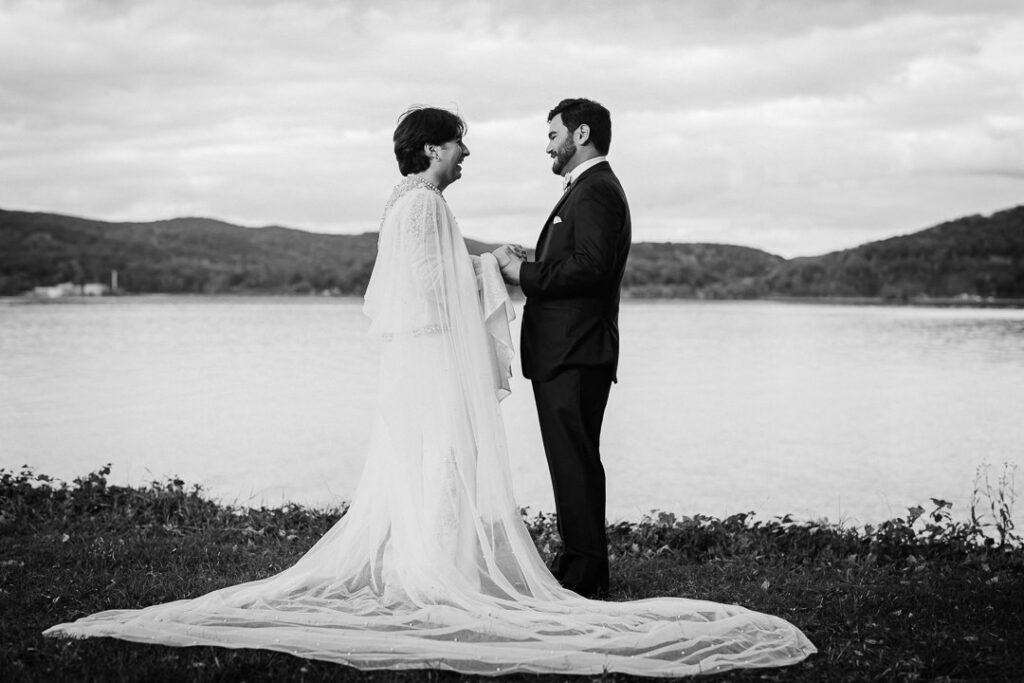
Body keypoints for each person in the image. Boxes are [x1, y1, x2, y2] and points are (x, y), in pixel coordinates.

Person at [44, 106, 816, 676]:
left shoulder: (470, 202)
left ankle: (507, 562)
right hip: (443, 363)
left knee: (463, 460)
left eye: (546, 133)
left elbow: (493, 274)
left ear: (579, 134)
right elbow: (422, 290)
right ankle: (439, 565)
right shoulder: (419, 205)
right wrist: (499, 270)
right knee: (443, 458)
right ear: (430, 148)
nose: (468, 151)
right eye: (458, 142)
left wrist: (497, 265)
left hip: (555, 351)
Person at [496, 98, 629, 599]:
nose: (547, 145)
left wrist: (523, 274)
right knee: (572, 459)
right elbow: (580, 260)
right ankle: (579, 560)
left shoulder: (596, 191)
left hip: (575, 351)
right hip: (570, 351)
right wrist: (537, 259)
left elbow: (592, 269)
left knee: (574, 460)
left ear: (580, 134)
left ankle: (585, 572)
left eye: (553, 135)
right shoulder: (591, 189)